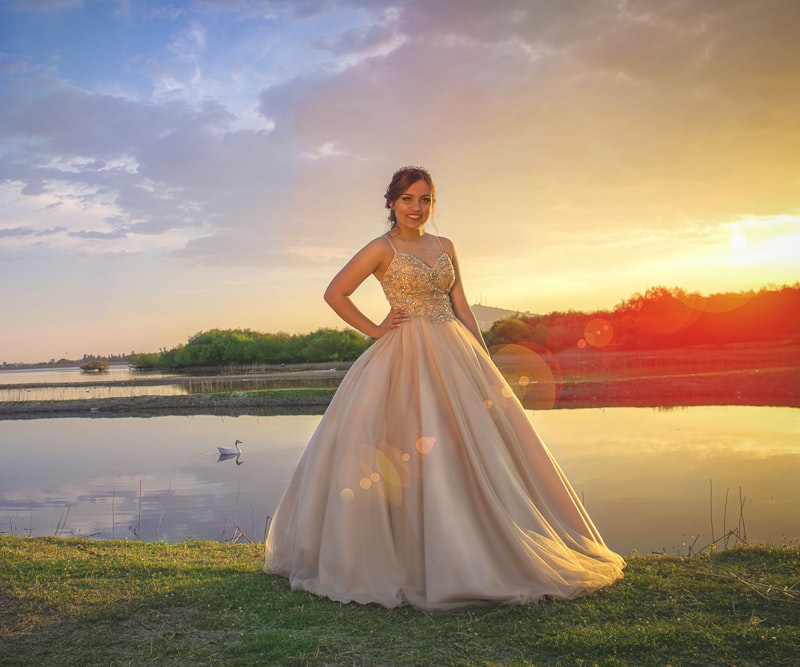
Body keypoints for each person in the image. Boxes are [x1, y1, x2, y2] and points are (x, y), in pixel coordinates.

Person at [263, 166, 625, 609]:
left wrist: (483, 360)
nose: (418, 208)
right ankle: (409, 558)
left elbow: (462, 307)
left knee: (469, 448)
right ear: (391, 203)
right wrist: (376, 331)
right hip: (403, 353)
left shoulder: (446, 246)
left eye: (426, 200)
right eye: (408, 199)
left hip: (455, 352)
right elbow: (335, 293)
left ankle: (476, 544)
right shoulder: (381, 248)